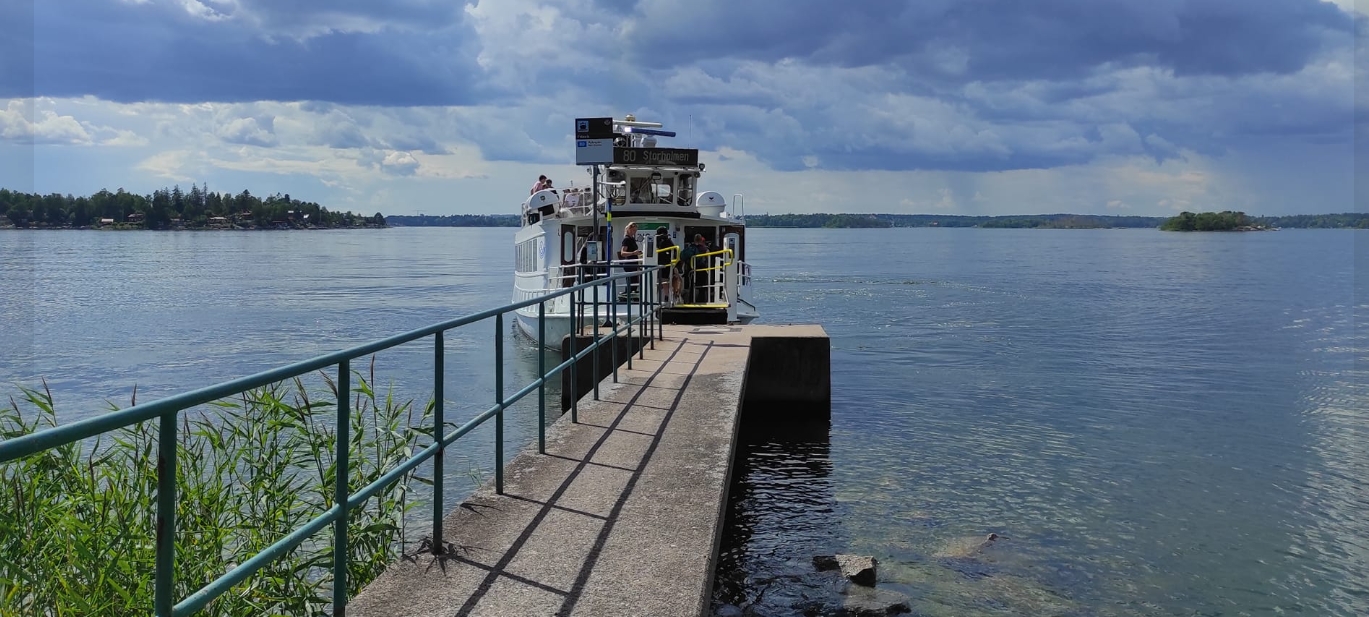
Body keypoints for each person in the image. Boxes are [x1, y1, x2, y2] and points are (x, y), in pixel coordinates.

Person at [618, 222, 642, 296]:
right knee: (632, 281)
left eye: (635, 231)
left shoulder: (632, 239)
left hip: (634, 263)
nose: (634, 232)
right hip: (629, 263)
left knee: (634, 281)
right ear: (629, 229)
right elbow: (622, 253)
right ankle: (628, 294)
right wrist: (633, 253)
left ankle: (631, 294)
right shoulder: (627, 239)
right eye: (633, 230)